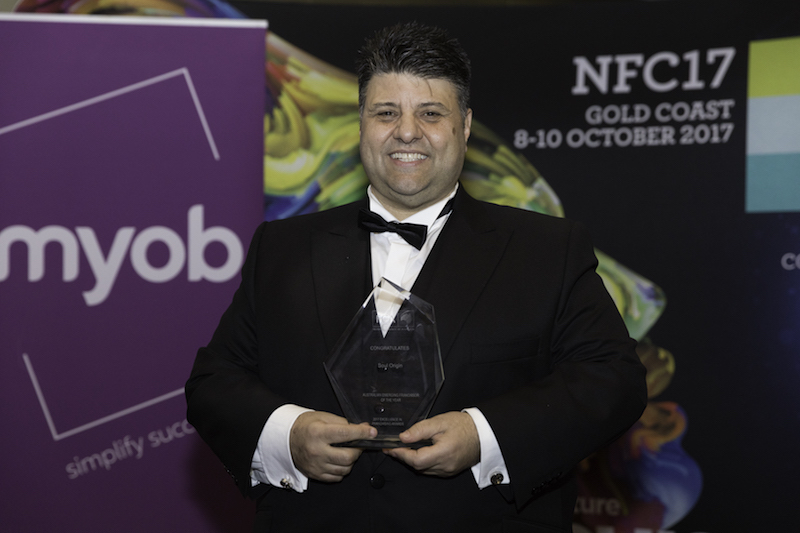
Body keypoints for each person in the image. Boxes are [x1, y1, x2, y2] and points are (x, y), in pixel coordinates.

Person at [186, 21, 646, 533]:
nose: (407, 132)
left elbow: (615, 380)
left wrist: (483, 435)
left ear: (464, 126)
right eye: (386, 113)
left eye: (430, 113)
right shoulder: (282, 248)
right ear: (361, 124)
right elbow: (214, 383)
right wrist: (288, 434)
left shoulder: (547, 250)